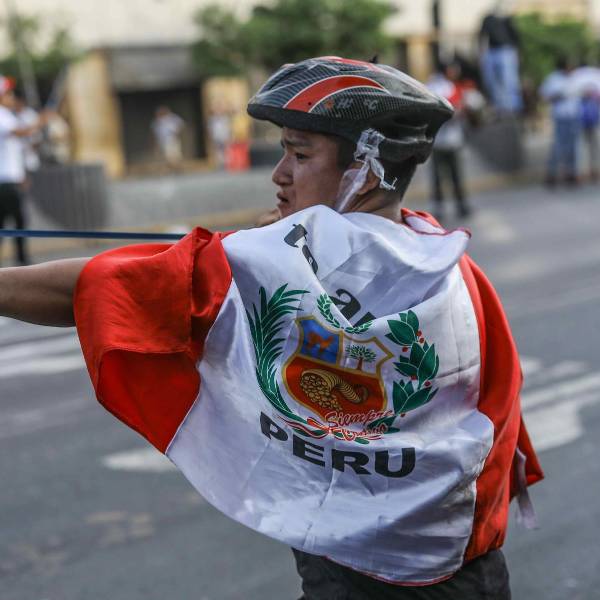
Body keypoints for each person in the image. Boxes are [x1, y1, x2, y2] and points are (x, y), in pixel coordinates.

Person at [0, 57, 543, 598]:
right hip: (466, 567)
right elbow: (499, 407)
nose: (279, 174)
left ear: (365, 168)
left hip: (355, 579)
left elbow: (93, 286)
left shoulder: (267, 261)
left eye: (300, 154)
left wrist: (278, 247)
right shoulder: (452, 265)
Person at [0, 76, 48, 266]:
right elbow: (21, 132)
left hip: (10, 180)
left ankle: (21, 260)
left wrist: (21, 176)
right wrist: (40, 121)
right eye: (8, 93)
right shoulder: (2, 115)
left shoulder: (8, 116)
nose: (12, 97)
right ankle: (22, 261)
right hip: (5, 182)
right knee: (18, 221)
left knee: (8, 223)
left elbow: (17, 148)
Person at [426, 63, 476, 221]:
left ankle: (461, 205)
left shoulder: (457, 87)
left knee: (456, 175)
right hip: (438, 141)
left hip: (454, 140)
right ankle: (438, 208)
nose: (455, 72)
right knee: (438, 178)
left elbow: (467, 109)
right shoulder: (435, 87)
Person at [540, 57, 581, 186]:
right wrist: (559, 95)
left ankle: (571, 173)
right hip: (561, 116)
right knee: (558, 146)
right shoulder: (553, 79)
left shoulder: (576, 78)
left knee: (572, 146)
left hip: (574, 115)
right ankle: (552, 174)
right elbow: (545, 95)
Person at [478, 0, 523, 114]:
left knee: (509, 81)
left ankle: (512, 108)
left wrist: (517, 54)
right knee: (493, 81)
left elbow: (516, 37)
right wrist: (482, 53)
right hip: (491, 52)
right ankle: (500, 107)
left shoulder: (507, 19)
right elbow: (482, 36)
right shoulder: (488, 19)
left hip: (507, 52)